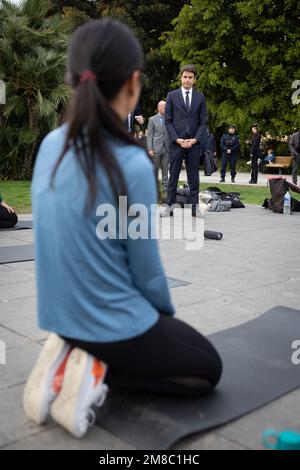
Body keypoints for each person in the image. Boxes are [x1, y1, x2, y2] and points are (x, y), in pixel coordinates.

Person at [23, 19, 222, 439]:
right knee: (207, 369)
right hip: (109, 324)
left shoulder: (50, 146)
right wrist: (162, 320)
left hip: (58, 316)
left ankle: (70, 351)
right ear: (133, 85)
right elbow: (146, 271)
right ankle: (96, 368)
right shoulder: (130, 163)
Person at [162, 64, 208, 217]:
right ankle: (169, 206)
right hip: (177, 144)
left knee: (193, 177)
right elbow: (167, 121)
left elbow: (203, 122)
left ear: (194, 80)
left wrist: (195, 139)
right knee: (173, 175)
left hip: (194, 144)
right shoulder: (172, 96)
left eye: (190, 77)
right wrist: (177, 139)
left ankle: (195, 208)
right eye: (185, 77)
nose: (187, 80)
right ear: (181, 77)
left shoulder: (200, 98)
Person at [147, 100, 170, 193]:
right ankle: (154, 187)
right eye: (163, 107)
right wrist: (150, 149)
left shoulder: (169, 118)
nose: (165, 108)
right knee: (155, 170)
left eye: (166, 107)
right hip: (155, 149)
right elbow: (149, 135)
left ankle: (165, 188)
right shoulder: (152, 119)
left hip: (167, 148)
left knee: (165, 169)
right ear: (159, 108)